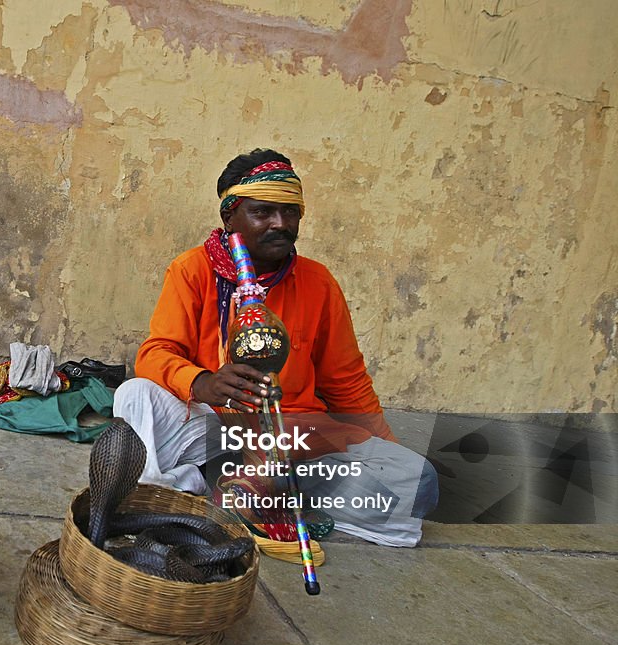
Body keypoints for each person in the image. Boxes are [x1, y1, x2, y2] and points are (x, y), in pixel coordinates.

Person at [114, 148, 438, 547]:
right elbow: (156, 353)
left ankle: (236, 485)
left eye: (290, 213)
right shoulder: (192, 269)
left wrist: (379, 450)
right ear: (229, 216)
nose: (280, 224)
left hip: (292, 438)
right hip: (213, 423)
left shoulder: (319, 283)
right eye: (263, 212)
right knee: (134, 395)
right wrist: (202, 383)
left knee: (418, 481)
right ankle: (244, 485)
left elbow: (346, 381)